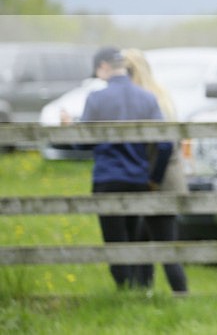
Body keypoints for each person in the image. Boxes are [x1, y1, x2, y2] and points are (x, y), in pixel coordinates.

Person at [63, 46, 173, 288]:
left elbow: (82, 145)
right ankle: (140, 290)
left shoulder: (96, 99)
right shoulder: (147, 98)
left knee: (115, 241)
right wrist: (154, 177)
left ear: (103, 67)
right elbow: (165, 144)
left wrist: (69, 129)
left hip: (107, 179)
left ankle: (124, 290)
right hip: (138, 179)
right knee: (135, 239)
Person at [122, 48, 189, 295]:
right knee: (145, 238)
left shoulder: (147, 98)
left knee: (164, 244)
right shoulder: (160, 94)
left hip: (161, 181)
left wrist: (152, 179)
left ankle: (179, 294)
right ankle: (145, 291)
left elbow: (163, 146)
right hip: (166, 178)